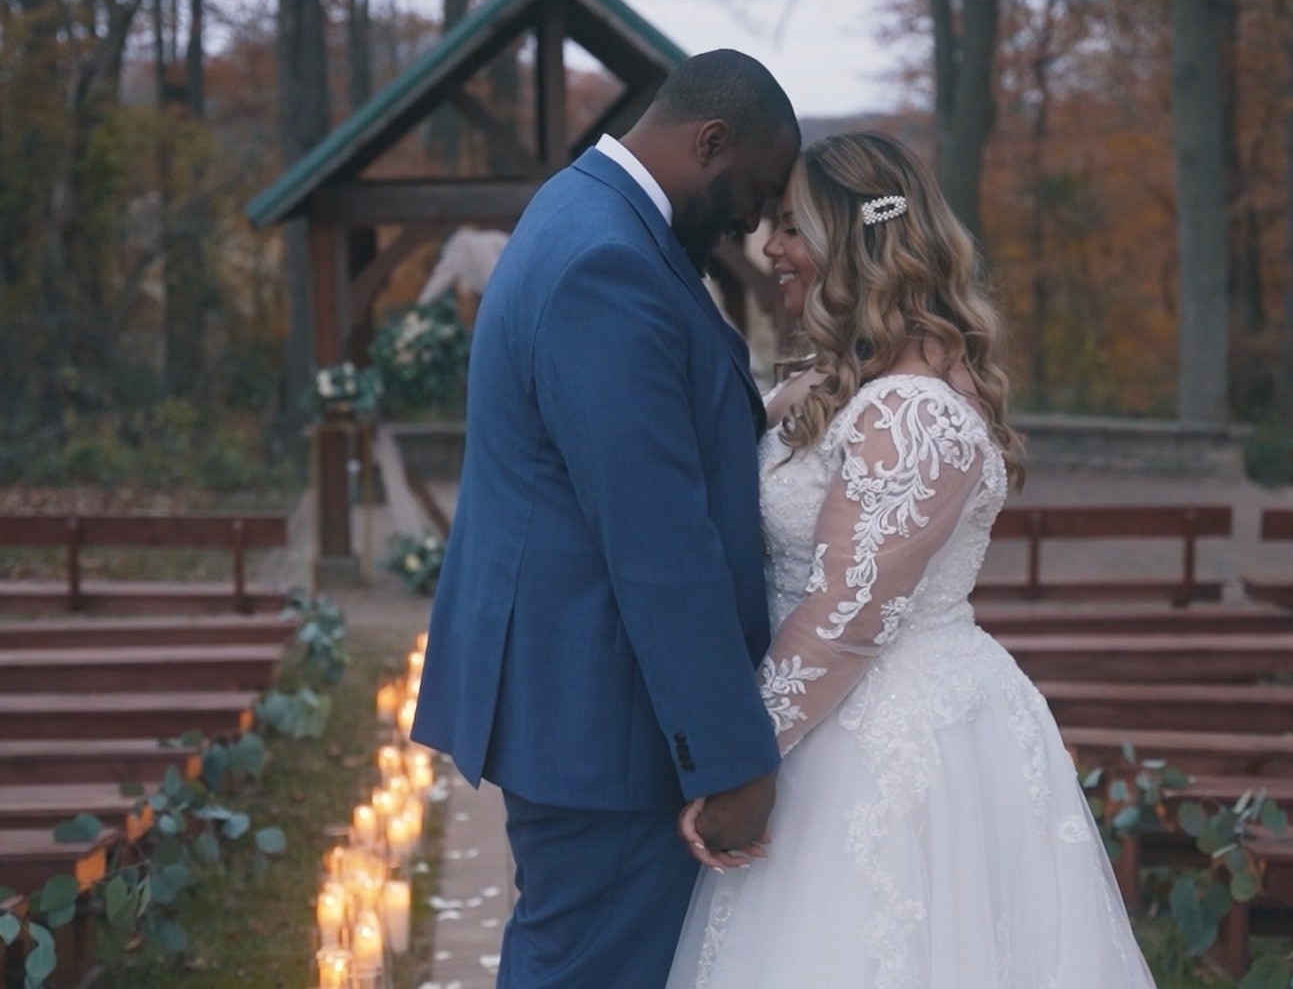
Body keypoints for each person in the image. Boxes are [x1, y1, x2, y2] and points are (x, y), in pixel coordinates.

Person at [668, 132, 1158, 987]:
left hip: (884, 734)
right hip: (828, 717)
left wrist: (736, 756)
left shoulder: (913, 415)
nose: (771, 247)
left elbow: (845, 622)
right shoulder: (833, 386)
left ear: (854, 238)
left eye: (791, 227)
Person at [411, 49, 802, 987]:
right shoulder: (607, 263)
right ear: (709, 141)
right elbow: (656, 544)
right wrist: (728, 760)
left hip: (578, 703)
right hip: (610, 725)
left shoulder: (581, 210)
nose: (753, 225)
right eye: (753, 191)